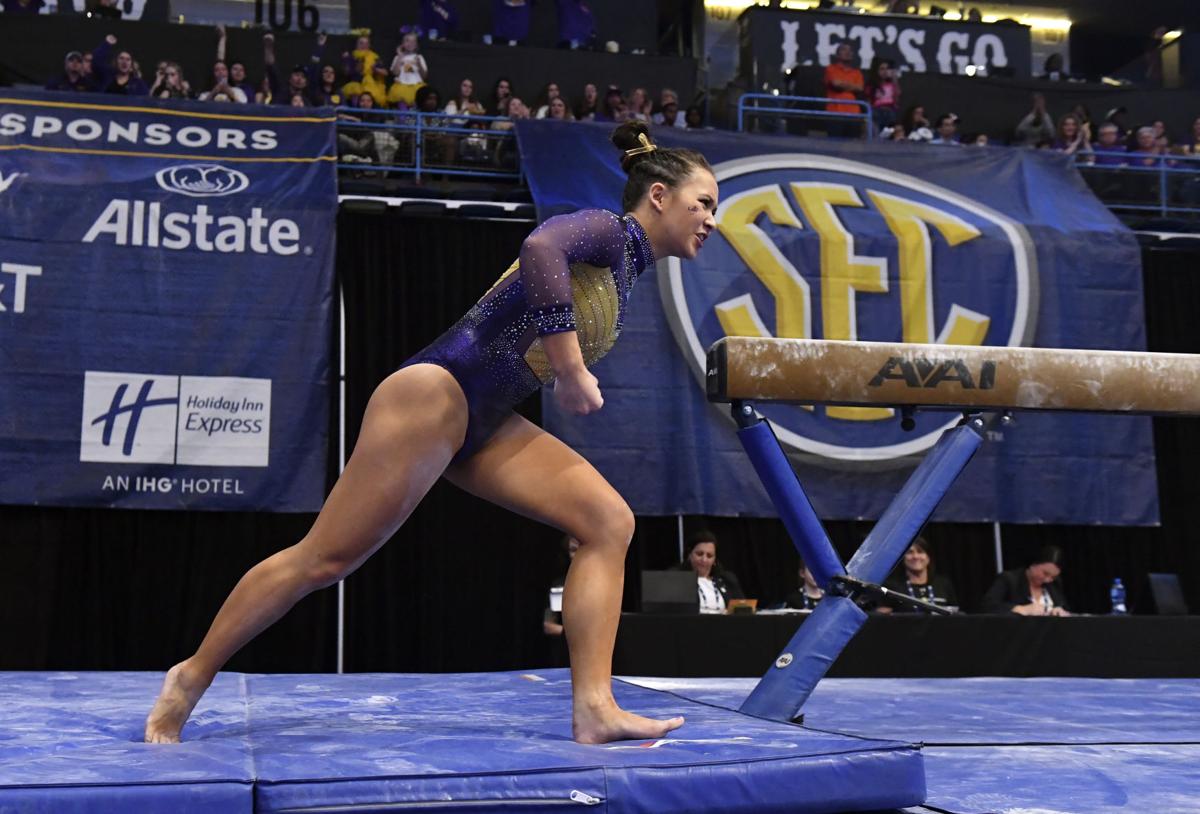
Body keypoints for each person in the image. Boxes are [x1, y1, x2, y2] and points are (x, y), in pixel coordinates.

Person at [145, 120, 717, 746]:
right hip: (434, 394)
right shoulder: (610, 231)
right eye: (703, 203)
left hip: (486, 420)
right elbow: (540, 249)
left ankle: (594, 708)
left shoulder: (627, 270)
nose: (711, 218)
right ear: (658, 196)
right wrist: (572, 367)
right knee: (325, 559)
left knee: (609, 522)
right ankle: (190, 677)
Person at [981, 545, 1071, 616]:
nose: (1047, 580)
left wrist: (1059, 611)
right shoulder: (1009, 580)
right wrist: (1020, 609)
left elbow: (1066, 609)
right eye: (1045, 573)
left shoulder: (1054, 584)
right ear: (1033, 564)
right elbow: (988, 606)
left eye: (1053, 577)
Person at [878, 538, 958, 613]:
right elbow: (882, 620)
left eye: (920, 551)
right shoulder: (892, 586)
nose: (915, 556)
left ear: (928, 557)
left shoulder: (943, 584)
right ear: (903, 558)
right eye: (910, 552)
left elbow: (954, 616)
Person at [673, 531, 744, 614]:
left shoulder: (727, 579)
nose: (704, 560)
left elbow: (743, 610)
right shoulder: (676, 579)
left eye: (709, 556)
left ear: (714, 560)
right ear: (689, 554)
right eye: (699, 554)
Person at [823, 41, 864, 138]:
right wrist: (851, 86)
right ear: (837, 54)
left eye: (850, 50)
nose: (848, 52)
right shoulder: (831, 69)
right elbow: (836, 84)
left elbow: (860, 88)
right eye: (844, 50)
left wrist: (843, 84)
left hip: (854, 115)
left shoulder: (857, 73)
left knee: (852, 148)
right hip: (835, 114)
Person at [388, 31, 428, 109]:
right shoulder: (398, 57)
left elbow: (424, 76)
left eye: (413, 41)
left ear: (416, 44)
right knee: (403, 112)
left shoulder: (419, 57)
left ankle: (413, 120)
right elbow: (395, 73)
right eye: (407, 40)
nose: (410, 43)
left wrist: (419, 63)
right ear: (402, 43)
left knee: (415, 110)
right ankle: (402, 120)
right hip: (401, 87)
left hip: (416, 86)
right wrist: (400, 56)